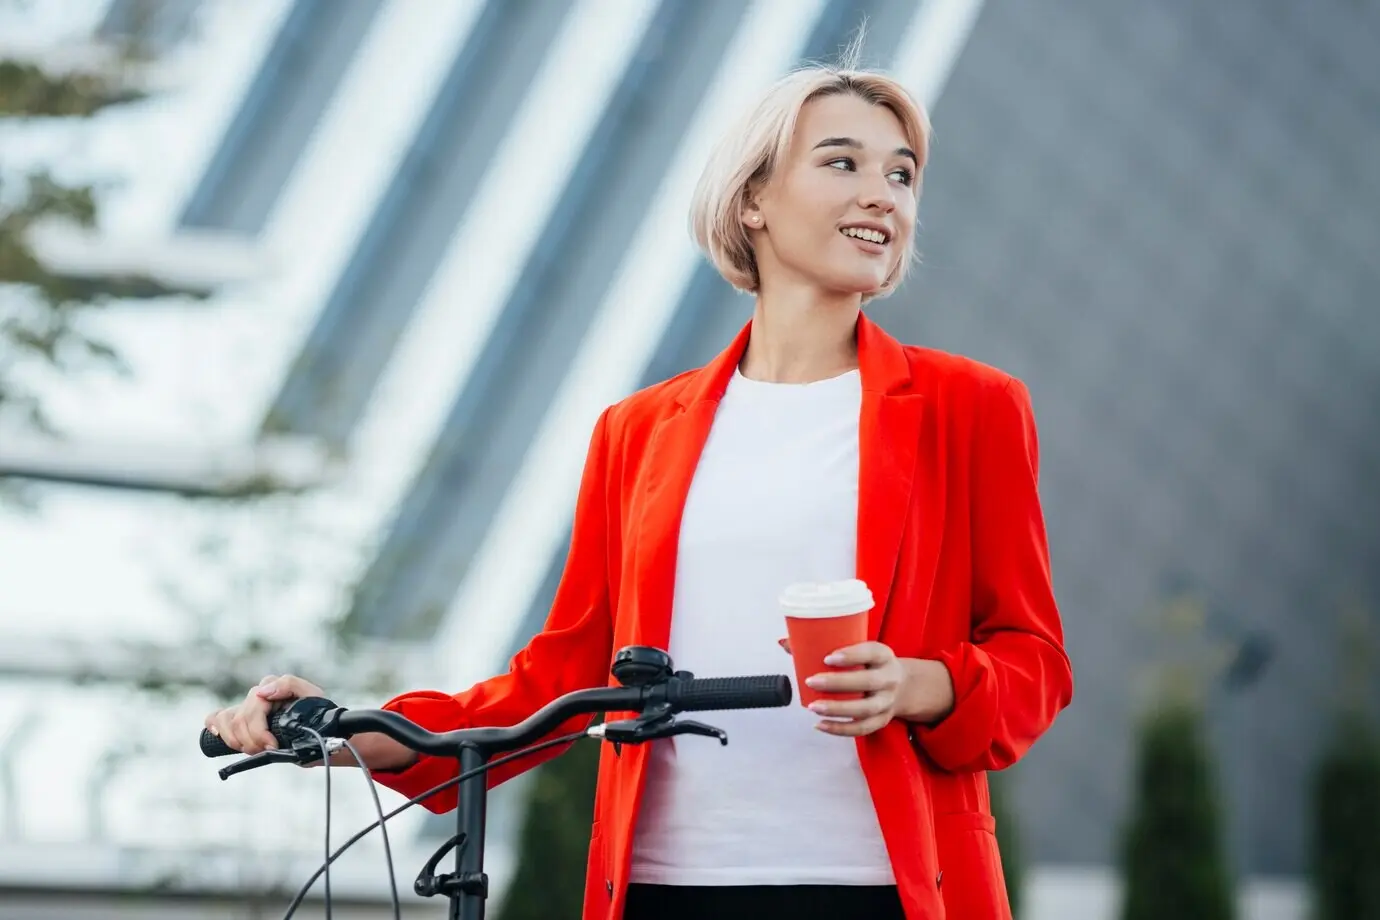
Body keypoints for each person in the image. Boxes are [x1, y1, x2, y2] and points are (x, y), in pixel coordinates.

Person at [206, 56, 1072, 920]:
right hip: (665, 886)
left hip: (889, 885)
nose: (884, 193)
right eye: (842, 162)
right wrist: (349, 730)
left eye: (902, 173)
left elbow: (1034, 661)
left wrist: (921, 684)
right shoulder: (639, 430)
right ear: (752, 200)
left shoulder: (972, 409)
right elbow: (566, 673)